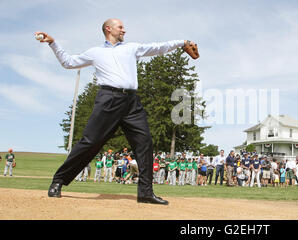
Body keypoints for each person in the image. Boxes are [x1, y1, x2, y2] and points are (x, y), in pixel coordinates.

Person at [40, 18, 198, 205]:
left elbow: (158, 47)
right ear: (108, 29)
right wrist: (53, 43)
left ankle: (145, 193)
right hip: (108, 99)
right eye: (120, 27)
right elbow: (68, 62)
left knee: (145, 143)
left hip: (132, 102)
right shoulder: (95, 52)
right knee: (90, 142)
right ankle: (58, 181)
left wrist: (182, 42)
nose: (124, 30)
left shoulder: (131, 48)